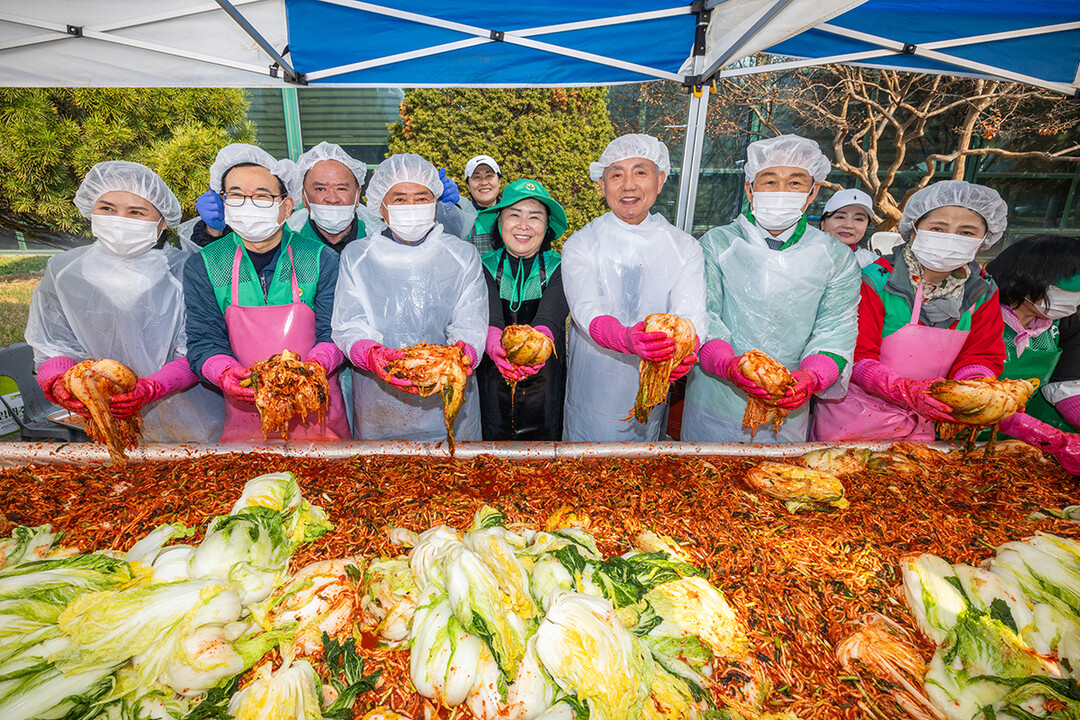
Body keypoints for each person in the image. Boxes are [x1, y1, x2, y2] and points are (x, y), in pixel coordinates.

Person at [682, 134, 861, 443]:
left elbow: (835, 330)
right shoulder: (717, 244)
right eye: (769, 181)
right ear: (750, 189)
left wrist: (812, 376)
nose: (781, 191)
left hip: (787, 406)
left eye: (795, 183)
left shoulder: (836, 257)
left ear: (813, 191)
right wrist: (726, 364)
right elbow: (703, 314)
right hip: (714, 403)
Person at [27, 160, 224, 442]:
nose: (120, 220)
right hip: (105, 419)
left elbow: (198, 348)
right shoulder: (64, 272)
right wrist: (57, 379)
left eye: (136, 212)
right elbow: (53, 342)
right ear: (91, 211)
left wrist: (152, 388)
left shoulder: (184, 271)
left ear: (162, 222)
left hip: (194, 422)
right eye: (107, 209)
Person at [811, 180, 1008, 442]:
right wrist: (904, 389)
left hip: (930, 424)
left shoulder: (981, 291)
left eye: (967, 232)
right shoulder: (876, 280)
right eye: (938, 228)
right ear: (914, 230)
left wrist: (973, 387)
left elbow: (981, 353)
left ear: (984, 240)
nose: (951, 238)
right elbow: (855, 354)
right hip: (854, 421)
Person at [183, 144, 349, 441]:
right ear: (223, 203)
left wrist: (313, 369)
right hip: (245, 414)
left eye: (261, 196)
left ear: (286, 207)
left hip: (318, 414)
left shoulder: (319, 258)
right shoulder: (206, 265)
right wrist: (224, 372)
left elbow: (336, 332)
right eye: (236, 195)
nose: (248, 204)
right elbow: (203, 340)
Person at [561, 134, 707, 442]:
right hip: (593, 385)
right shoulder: (582, 243)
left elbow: (691, 314)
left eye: (640, 172)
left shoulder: (684, 248)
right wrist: (624, 337)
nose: (628, 185)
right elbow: (586, 308)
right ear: (602, 185)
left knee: (642, 461)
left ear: (660, 180)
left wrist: (686, 349)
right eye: (616, 175)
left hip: (654, 380)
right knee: (585, 461)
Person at [332, 153, 487, 441]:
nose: (411, 207)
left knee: (455, 467)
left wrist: (460, 356)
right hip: (379, 407)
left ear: (435, 203)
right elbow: (349, 322)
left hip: (449, 402)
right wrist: (371, 354)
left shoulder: (461, 255)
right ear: (381, 205)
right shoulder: (358, 256)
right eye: (399, 199)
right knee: (384, 469)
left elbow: (471, 321)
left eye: (421, 197)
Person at [475, 179, 568, 440]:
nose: (523, 225)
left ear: (547, 226)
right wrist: (494, 346)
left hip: (545, 385)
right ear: (499, 222)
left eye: (534, 217)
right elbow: (491, 317)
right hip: (493, 380)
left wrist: (536, 351)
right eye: (514, 215)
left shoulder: (561, 267)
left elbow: (549, 320)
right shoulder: (482, 266)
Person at [983, 235, 1079, 472]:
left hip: (1021, 446)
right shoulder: (978, 314)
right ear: (1027, 276)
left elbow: (1067, 388)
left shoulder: (1065, 324)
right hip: (955, 438)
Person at [287, 141, 382, 253]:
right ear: (304, 196)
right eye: (320, 189)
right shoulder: (288, 243)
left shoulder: (379, 240)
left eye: (341, 189)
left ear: (357, 195)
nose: (332, 199)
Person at [820, 188, 878, 267]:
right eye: (840, 217)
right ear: (823, 223)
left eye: (858, 219)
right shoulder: (804, 254)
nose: (848, 225)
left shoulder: (875, 264)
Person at [460, 155, 503, 253]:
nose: (484, 182)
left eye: (489, 176)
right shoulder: (461, 220)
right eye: (476, 177)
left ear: (499, 181)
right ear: (468, 186)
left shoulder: (513, 215)